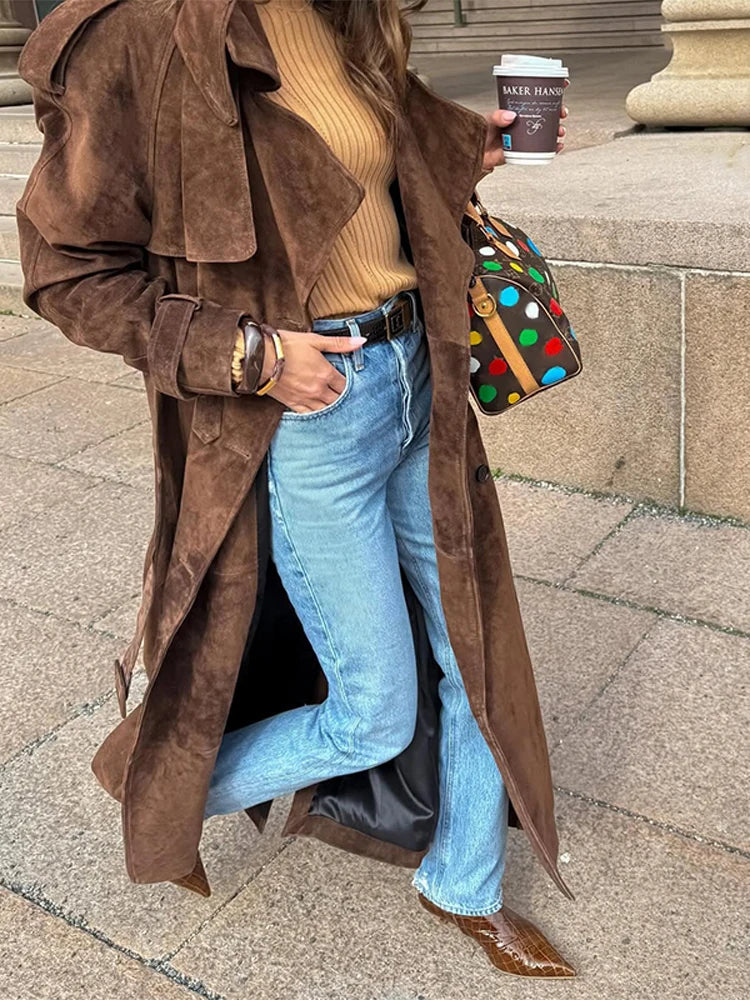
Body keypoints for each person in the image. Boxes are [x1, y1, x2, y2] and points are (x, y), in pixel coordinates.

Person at [17, 0, 574, 980]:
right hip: (313, 419)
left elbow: (371, 169)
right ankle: (164, 781)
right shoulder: (143, 35)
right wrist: (249, 353)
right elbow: (68, 271)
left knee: (475, 653)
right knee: (374, 708)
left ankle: (465, 882)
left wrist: (469, 146)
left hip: (421, 382)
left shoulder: (344, 13)